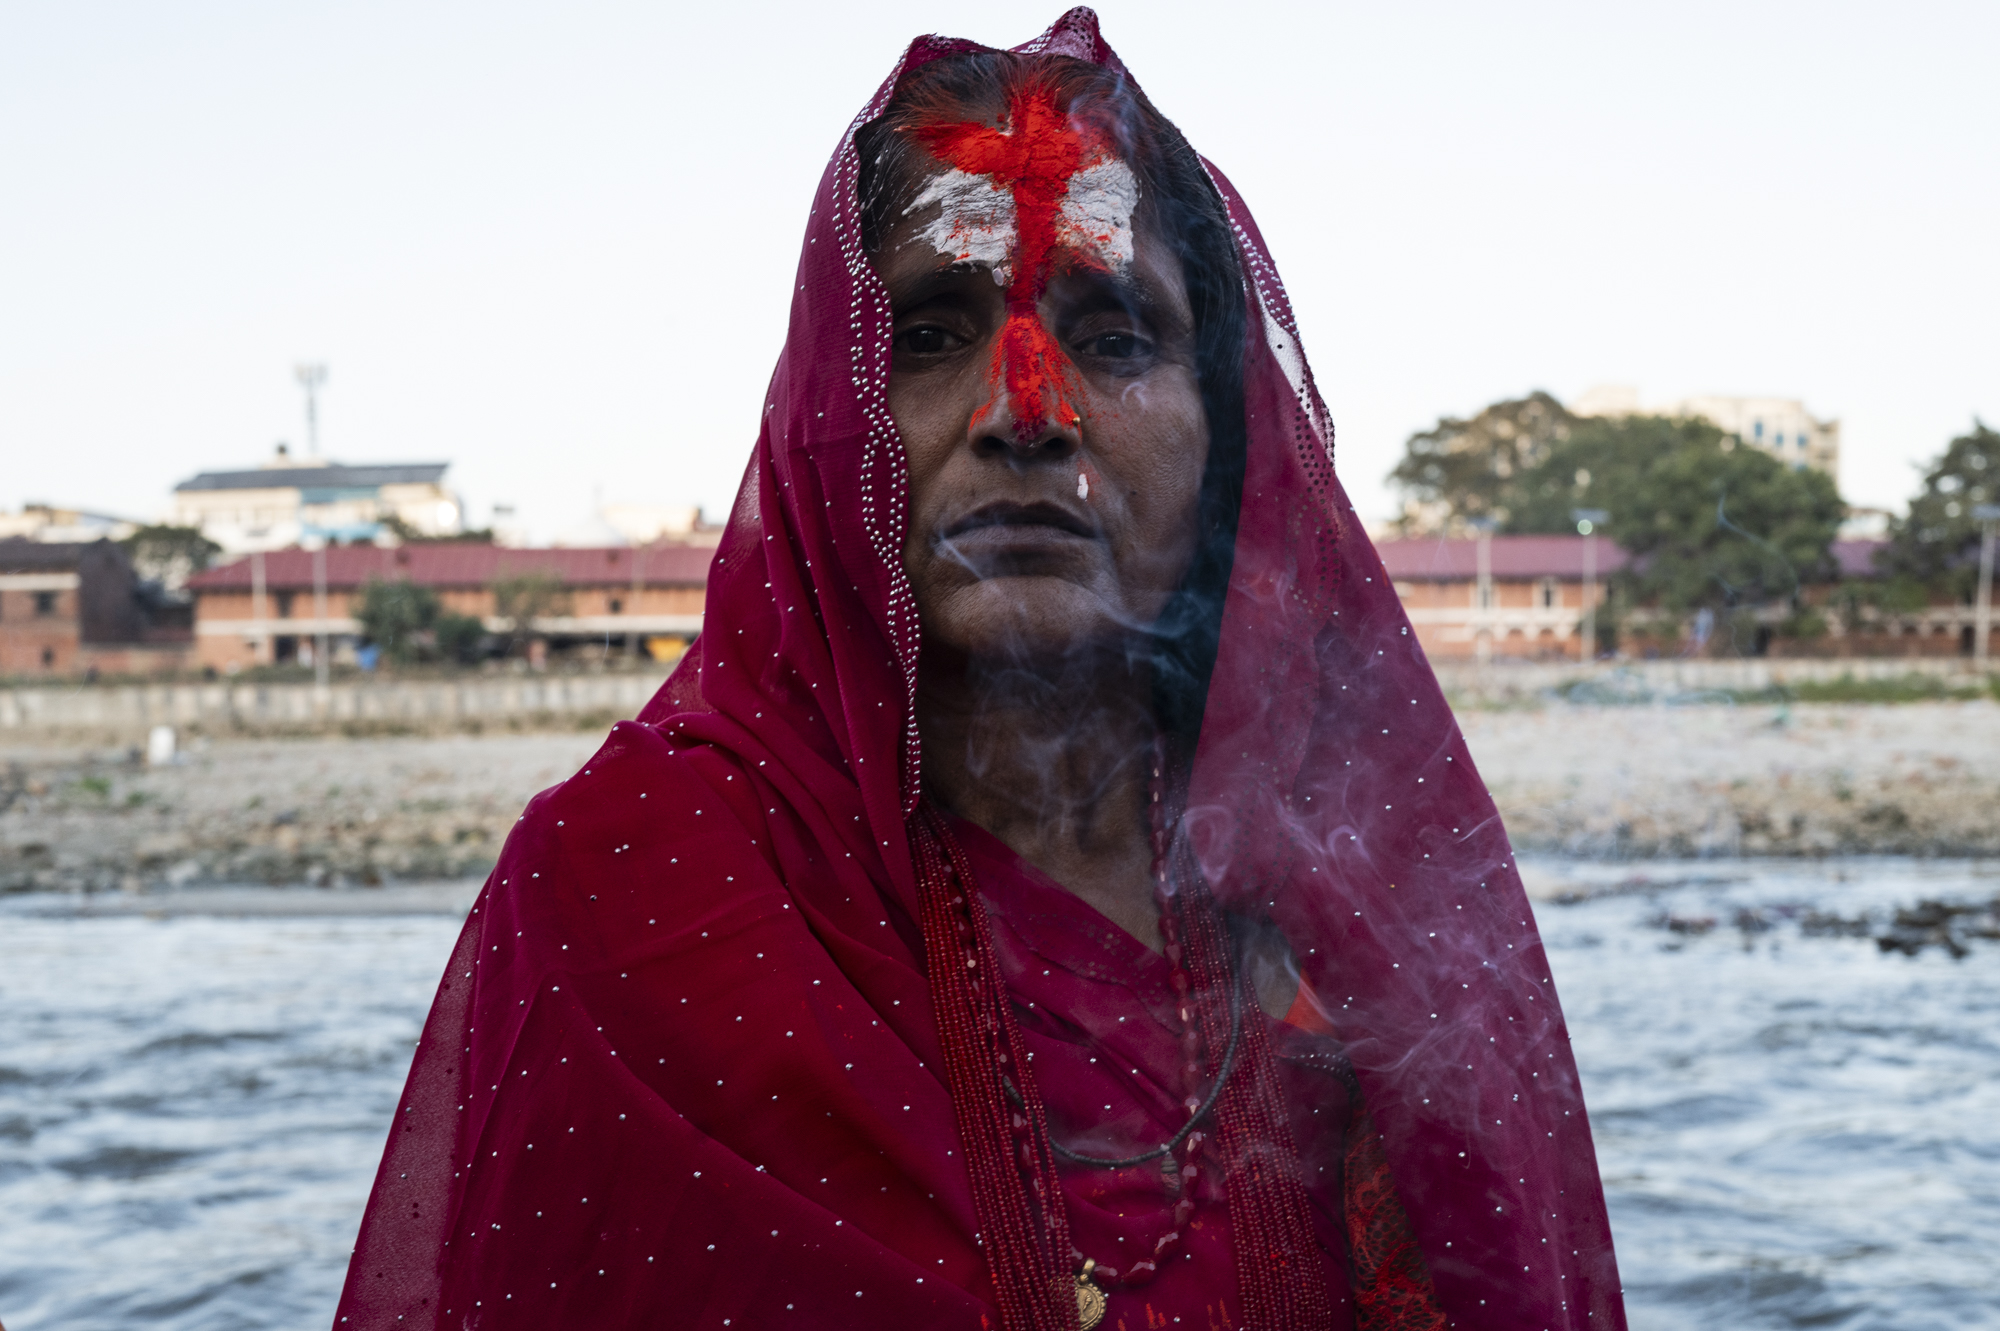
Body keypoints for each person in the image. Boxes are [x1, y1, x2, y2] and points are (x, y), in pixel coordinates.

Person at [334, 11, 1625, 1330]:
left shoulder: (1355, 894)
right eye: (934, 331)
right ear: (826, 413)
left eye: (1116, 337)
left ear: (1223, 429)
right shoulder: (631, 891)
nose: (1025, 409)